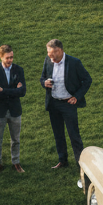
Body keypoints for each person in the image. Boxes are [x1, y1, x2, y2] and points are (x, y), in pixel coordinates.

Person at [41, 39, 92, 169]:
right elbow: (42, 77)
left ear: (60, 50)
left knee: (74, 135)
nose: (50, 56)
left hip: (68, 104)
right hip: (54, 103)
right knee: (58, 134)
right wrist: (44, 83)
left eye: (52, 54)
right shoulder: (48, 60)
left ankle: (80, 164)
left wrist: (77, 96)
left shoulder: (74, 62)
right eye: (48, 53)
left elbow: (87, 80)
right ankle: (62, 160)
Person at [0, 45, 26, 173]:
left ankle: (15, 162)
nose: (10, 60)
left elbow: (23, 92)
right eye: (7, 58)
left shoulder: (18, 70)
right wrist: (14, 90)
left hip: (15, 110)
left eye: (11, 57)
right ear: (1, 56)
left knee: (16, 139)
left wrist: (4, 90)